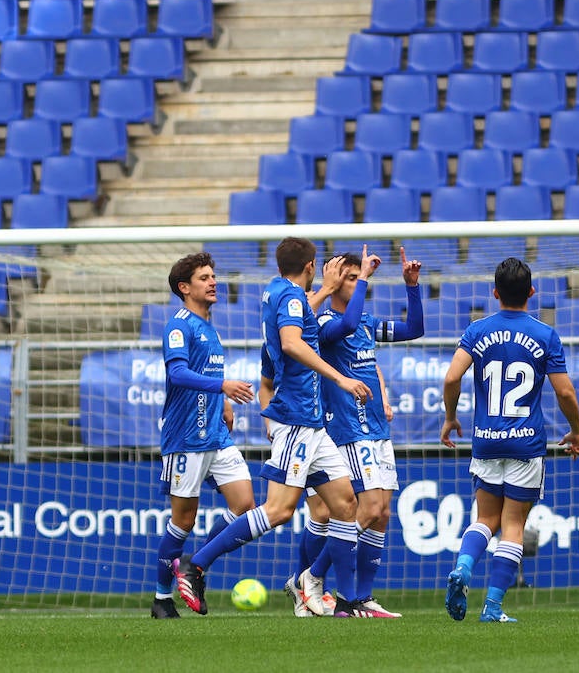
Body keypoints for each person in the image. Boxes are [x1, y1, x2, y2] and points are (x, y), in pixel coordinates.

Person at [176, 237, 374, 617]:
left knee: (346, 504)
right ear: (312, 266)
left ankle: (347, 603)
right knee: (279, 510)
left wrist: (326, 291)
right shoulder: (293, 298)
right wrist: (341, 379)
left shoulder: (276, 291)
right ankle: (195, 565)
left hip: (312, 424)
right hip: (297, 419)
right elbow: (291, 343)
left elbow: (295, 320)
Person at [440, 257, 579, 623]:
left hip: (486, 440)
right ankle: (492, 607)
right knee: (513, 526)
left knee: (485, 518)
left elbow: (451, 378)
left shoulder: (476, 330)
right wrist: (577, 430)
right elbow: (565, 393)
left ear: (495, 293)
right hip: (526, 444)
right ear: (532, 292)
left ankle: (463, 566)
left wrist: (451, 417)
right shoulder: (544, 334)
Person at [304, 245, 425, 618]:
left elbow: (415, 330)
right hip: (347, 427)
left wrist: (412, 287)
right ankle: (315, 577)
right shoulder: (323, 324)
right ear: (336, 281)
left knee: (383, 512)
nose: (358, 283)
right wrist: (366, 282)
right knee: (367, 506)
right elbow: (348, 324)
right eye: (351, 278)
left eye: (359, 277)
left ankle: (362, 598)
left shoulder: (369, 322)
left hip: (376, 426)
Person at [150, 253, 256, 620]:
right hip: (186, 438)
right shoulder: (178, 326)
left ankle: (194, 568)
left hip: (216, 434)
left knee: (244, 505)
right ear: (185, 287)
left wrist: (222, 401)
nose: (214, 282)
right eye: (204, 278)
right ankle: (162, 599)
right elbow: (178, 373)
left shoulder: (210, 327)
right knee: (183, 521)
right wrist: (223, 385)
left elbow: (208, 372)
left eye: (214, 276)